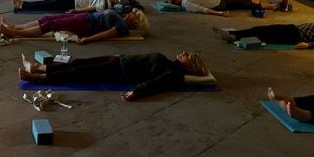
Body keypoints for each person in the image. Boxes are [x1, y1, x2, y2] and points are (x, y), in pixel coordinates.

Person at [19, 51, 209, 100]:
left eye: (188, 56)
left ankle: (37, 78)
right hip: (118, 61)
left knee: (78, 73)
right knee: (76, 62)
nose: (184, 52)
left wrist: (135, 92)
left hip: (119, 72)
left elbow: (153, 84)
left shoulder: (171, 73)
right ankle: (38, 67)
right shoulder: (169, 63)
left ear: (189, 67)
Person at [0, 9, 149, 43]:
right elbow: (98, 11)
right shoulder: (120, 16)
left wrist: (87, 39)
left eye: (134, 14)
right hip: (84, 17)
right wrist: (77, 11)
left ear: (136, 22)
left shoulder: (122, 27)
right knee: (48, 18)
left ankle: (14, 33)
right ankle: (16, 27)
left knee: (52, 25)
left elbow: (107, 34)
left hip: (86, 24)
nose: (130, 13)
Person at [213, 21, 314, 48]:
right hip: (293, 29)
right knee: (260, 29)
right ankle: (232, 33)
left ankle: (233, 36)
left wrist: (309, 45)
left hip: (294, 36)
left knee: (263, 34)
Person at [167, 0, 268, 16]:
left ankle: (255, 2)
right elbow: (202, 10)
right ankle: (266, 6)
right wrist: (219, 13)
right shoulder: (186, 4)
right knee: (242, 4)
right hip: (218, 3)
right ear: (176, 1)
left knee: (240, 1)